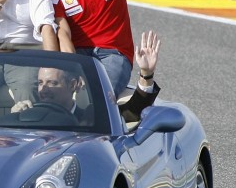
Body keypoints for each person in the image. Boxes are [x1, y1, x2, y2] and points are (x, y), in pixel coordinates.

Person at [11, 31, 162, 123]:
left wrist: (146, 73)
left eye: (52, 83)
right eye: (40, 83)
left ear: (73, 85)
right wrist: (15, 119)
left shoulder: (93, 116)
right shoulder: (26, 114)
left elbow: (133, 111)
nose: (43, 89)